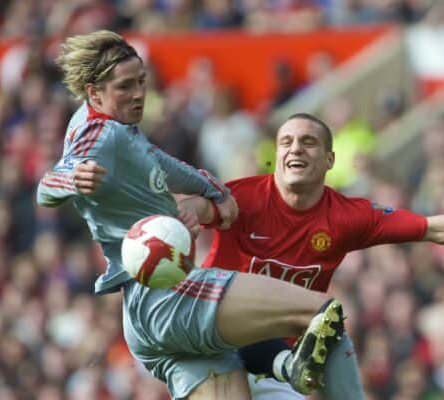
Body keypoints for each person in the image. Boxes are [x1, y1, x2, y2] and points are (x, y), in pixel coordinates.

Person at [175, 112, 444, 400]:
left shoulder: (347, 217)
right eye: (285, 141)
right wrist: (188, 214)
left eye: (308, 141)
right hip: (216, 345)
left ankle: (286, 365)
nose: (294, 149)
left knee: (329, 326)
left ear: (329, 160)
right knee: (316, 316)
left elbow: (435, 227)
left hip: (279, 361)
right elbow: (202, 207)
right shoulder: (244, 196)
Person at [36, 30, 349, 400]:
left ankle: (282, 366)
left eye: (141, 82)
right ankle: (284, 366)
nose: (138, 94)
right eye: (124, 87)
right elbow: (48, 184)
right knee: (319, 311)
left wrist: (212, 192)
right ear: (94, 93)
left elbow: (158, 163)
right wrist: (71, 177)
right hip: (168, 297)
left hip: (150, 316)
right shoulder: (100, 134)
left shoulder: (118, 130)